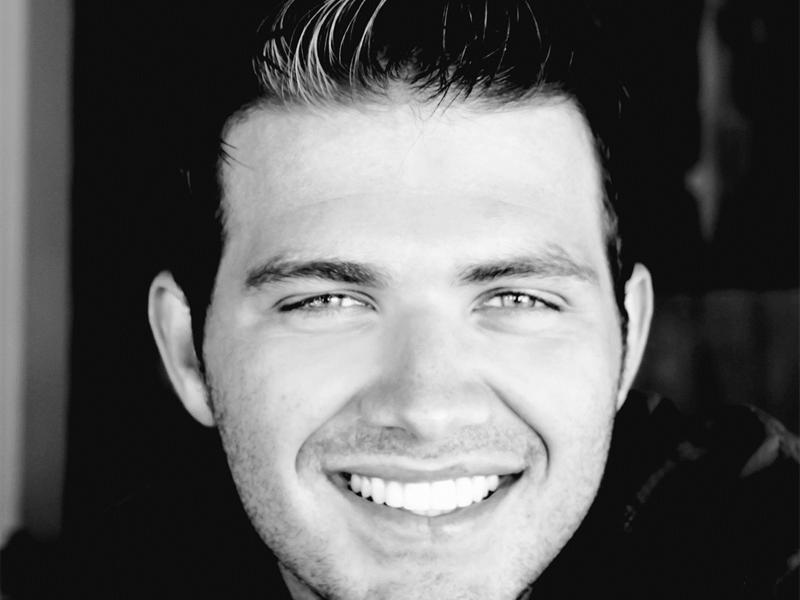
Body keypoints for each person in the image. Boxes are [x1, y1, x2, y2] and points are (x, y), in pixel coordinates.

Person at [71, 1, 797, 598]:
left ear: (628, 337)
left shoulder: (748, 535)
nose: (427, 409)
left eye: (517, 297)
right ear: (187, 351)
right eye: (325, 302)